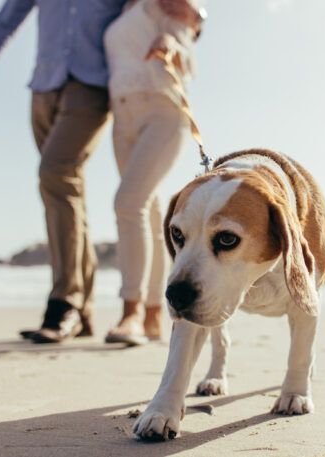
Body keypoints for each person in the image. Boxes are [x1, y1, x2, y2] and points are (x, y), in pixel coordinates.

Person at [0, 0, 203, 344]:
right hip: (49, 84)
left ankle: (72, 304)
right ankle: (96, 311)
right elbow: (10, 14)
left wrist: (185, 29)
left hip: (95, 88)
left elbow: (185, 17)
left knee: (61, 176)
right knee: (72, 192)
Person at [102, 0, 201, 345]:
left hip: (162, 110)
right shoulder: (119, 10)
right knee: (149, 209)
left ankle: (130, 312)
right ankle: (153, 315)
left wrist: (171, 44)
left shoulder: (166, 3)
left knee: (128, 203)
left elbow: (187, 47)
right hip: (122, 117)